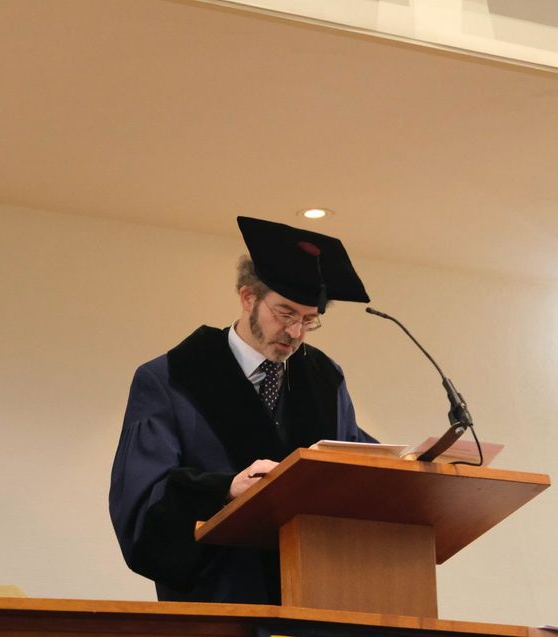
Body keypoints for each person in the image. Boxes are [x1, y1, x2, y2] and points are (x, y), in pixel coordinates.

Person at [109, 216, 376, 604]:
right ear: (248, 297)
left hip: (317, 600)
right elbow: (142, 500)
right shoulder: (171, 379)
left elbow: (349, 459)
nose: (296, 333)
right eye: (285, 314)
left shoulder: (324, 379)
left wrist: (419, 464)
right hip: (220, 600)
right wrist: (226, 489)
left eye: (309, 321)